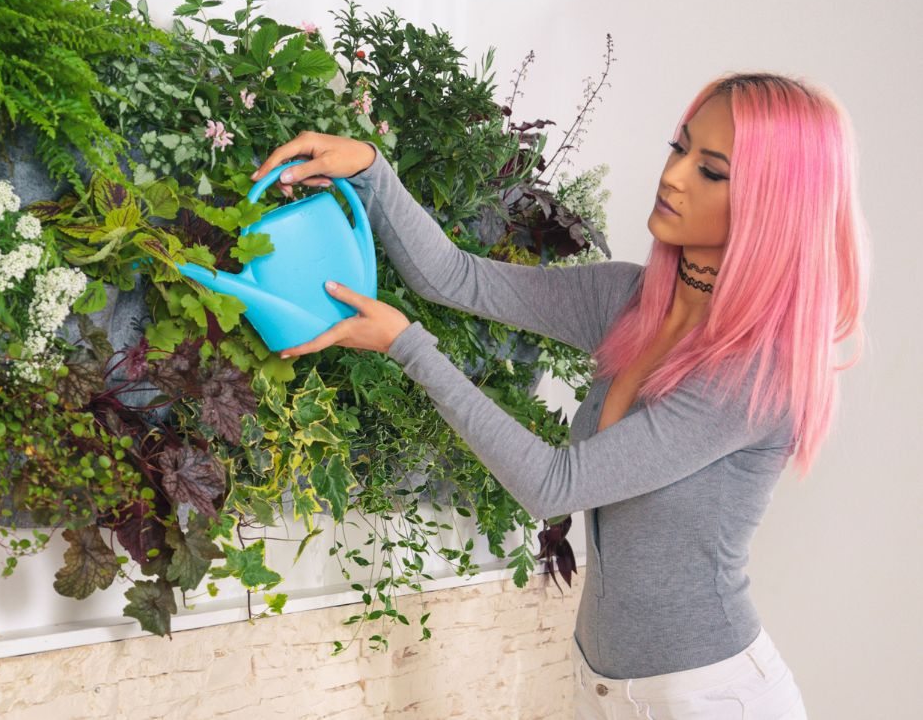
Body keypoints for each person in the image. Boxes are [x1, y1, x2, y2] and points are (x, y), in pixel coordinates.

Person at [249, 72, 868, 719]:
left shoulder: (752, 375)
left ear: (774, 205)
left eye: (711, 171)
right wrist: (372, 171)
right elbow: (456, 278)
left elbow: (553, 484)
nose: (674, 175)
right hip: (600, 689)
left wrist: (409, 348)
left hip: (708, 699)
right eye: (677, 147)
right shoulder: (628, 302)